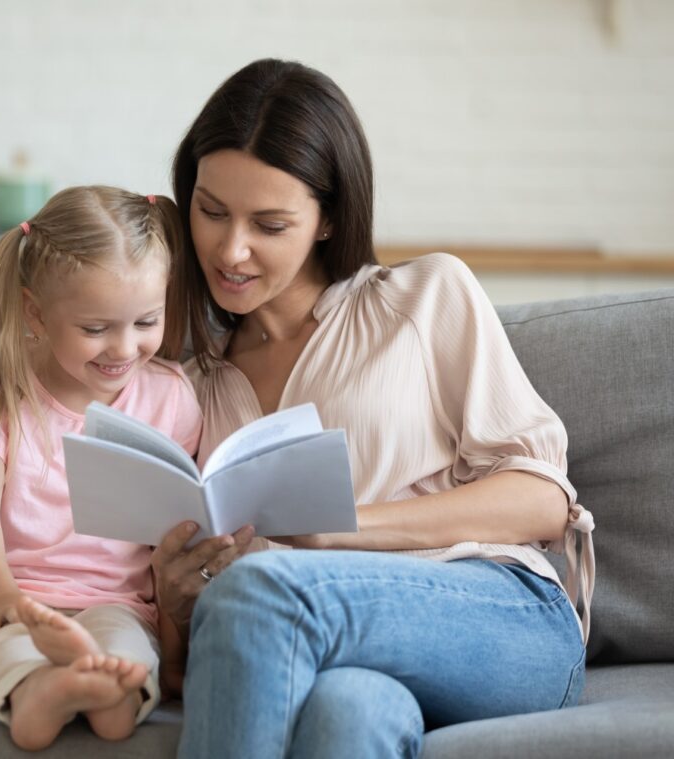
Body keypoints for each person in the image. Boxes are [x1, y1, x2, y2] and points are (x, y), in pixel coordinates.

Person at [149, 58, 597, 758]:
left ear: (327, 219)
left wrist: (343, 529)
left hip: (499, 616)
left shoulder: (421, 299)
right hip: (333, 653)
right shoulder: (188, 385)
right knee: (346, 715)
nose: (230, 249)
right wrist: (176, 601)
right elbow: (187, 670)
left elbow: (544, 499)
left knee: (263, 588)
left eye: (269, 223)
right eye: (211, 212)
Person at [0, 186, 203, 751]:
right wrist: (1, 596)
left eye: (146, 321)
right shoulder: (0, 378)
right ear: (36, 312)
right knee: (5, 646)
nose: (123, 349)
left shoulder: (171, 398)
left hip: (114, 602)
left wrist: (173, 656)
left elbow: (169, 542)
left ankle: (107, 695)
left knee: (128, 653)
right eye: (95, 329)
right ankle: (40, 691)